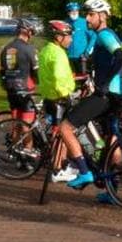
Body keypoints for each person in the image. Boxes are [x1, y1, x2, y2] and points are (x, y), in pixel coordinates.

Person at [57, 0, 122, 199]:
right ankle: (112, 191)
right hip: (116, 94)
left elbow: (120, 56)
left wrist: (104, 84)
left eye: (91, 14)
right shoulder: (103, 35)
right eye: (87, 14)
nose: (87, 18)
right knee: (111, 139)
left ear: (102, 16)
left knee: (65, 127)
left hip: (106, 94)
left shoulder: (104, 35)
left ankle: (84, 172)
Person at [38, 20, 80, 182]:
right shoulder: (58, 54)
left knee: (60, 134)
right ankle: (56, 170)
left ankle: (61, 165)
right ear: (58, 37)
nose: (70, 39)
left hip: (49, 96)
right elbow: (58, 77)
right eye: (68, 36)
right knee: (62, 135)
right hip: (59, 99)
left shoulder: (46, 50)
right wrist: (67, 94)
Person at [0, 20, 39, 124]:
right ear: (28, 32)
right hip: (25, 87)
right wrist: (38, 80)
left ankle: (14, 139)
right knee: (27, 123)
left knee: (16, 120)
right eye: (32, 33)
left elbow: (2, 71)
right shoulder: (29, 48)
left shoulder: (6, 48)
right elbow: (35, 71)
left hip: (10, 87)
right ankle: (27, 140)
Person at [64, 1, 92, 74]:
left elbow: (93, 36)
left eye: (76, 11)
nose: (74, 12)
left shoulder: (84, 22)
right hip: (68, 57)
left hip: (81, 57)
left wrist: (87, 52)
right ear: (68, 12)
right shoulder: (65, 23)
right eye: (71, 11)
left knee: (84, 79)